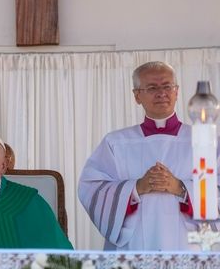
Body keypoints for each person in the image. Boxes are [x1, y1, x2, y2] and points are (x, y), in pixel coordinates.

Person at [78, 61, 220, 250]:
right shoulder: (116, 143)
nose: (162, 93)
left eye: (167, 86)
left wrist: (180, 188)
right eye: (152, 87)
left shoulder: (205, 142)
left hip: (188, 247)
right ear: (137, 95)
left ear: (176, 91)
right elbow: (92, 189)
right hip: (133, 249)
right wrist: (136, 188)